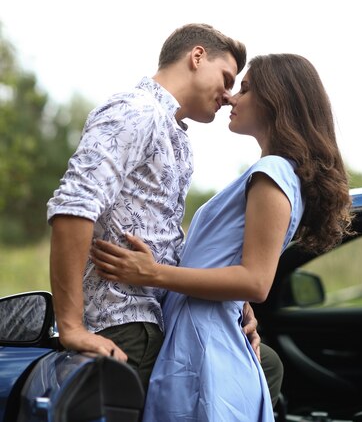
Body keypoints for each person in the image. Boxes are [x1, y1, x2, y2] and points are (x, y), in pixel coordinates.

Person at [91, 52, 355, 422]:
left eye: (244, 88)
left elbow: (255, 281)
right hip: (199, 336)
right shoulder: (273, 173)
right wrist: (236, 303)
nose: (231, 97)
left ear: (275, 100)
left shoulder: (272, 172)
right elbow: (233, 267)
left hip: (206, 347)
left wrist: (152, 274)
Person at [47, 22, 281, 401]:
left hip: (163, 320)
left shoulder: (176, 136)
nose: (228, 95)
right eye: (226, 77)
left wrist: (234, 302)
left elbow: (168, 241)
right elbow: (74, 205)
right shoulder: (135, 110)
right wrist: (71, 326)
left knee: (264, 364)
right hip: (126, 326)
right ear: (197, 56)